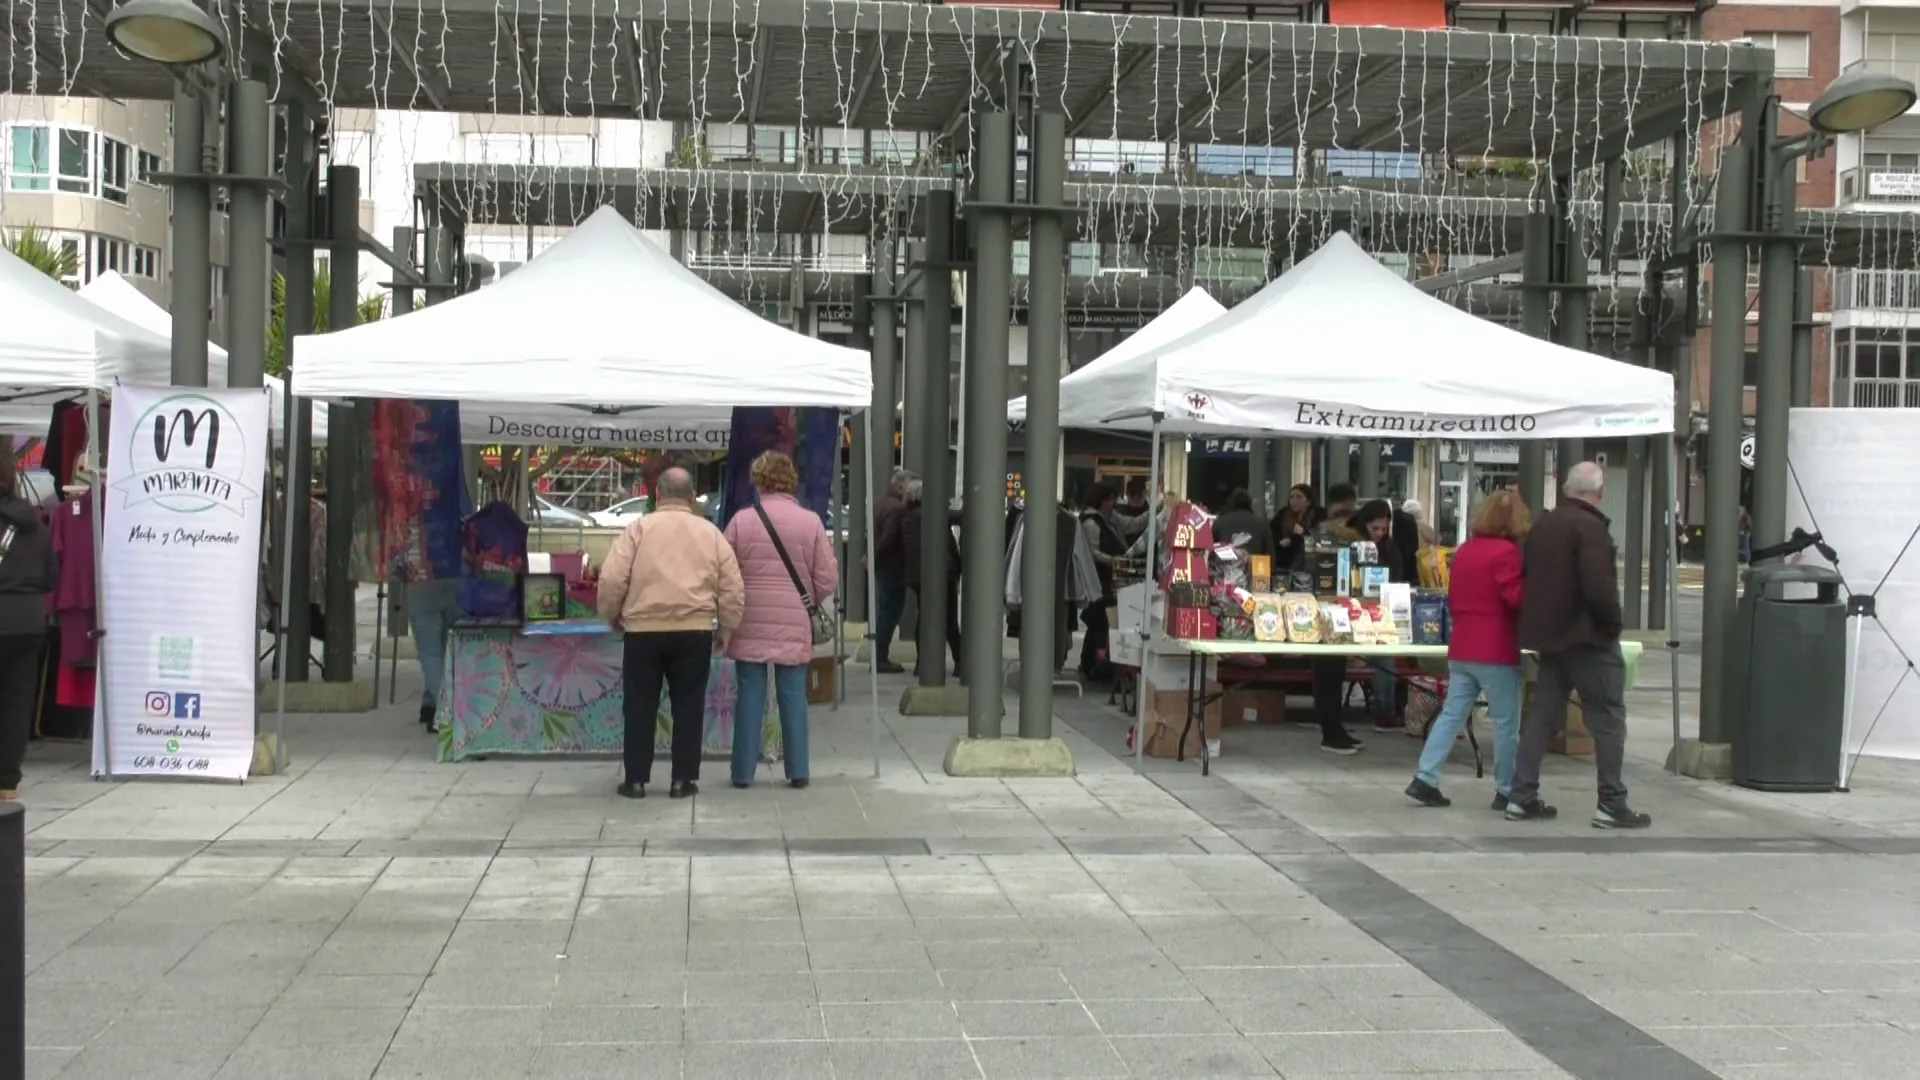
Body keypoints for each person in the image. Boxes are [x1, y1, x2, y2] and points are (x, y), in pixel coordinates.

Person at [1507, 462, 1648, 829]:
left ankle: (1521, 795)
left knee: (1542, 717)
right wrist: (1612, 625)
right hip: (1589, 638)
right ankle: (1611, 802)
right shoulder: (1591, 528)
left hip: (1551, 639)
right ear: (1600, 492)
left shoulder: (1542, 525)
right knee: (1608, 719)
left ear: (1567, 489)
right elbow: (1599, 588)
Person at [597, 467, 745, 800]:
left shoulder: (638, 529)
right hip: (694, 629)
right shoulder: (710, 534)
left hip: (643, 630)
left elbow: (612, 578)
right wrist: (727, 625)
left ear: (657, 495)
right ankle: (682, 779)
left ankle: (636, 780)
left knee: (639, 705)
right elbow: (732, 586)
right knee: (689, 705)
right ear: (692, 498)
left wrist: (611, 613)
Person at [1405, 490, 1528, 809]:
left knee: (1451, 715)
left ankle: (1425, 777)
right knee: (1505, 723)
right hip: (1496, 647)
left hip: (1463, 645)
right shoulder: (1507, 552)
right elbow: (1514, 597)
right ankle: (1506, 789)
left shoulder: (1465, 550)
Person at [723, 451, 838, 790]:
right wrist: (807, 599)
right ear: (791, 480)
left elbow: (724, 572)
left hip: (750, 618)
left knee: (749, 695)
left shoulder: (741, 521)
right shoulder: (811, 522)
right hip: (794, 618)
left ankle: (742, 773)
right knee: (793, 694)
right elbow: (828, 578)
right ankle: (798, 771)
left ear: (758, 480)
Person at [0, 466, 55, 801]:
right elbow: (51, 577)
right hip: (27, 621)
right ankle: (7, 783)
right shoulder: (36, 527)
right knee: (17, 704)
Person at [899, 477, 963, 678]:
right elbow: (960, 516)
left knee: (924, 618)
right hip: (942, 574)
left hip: (919, 576)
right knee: (949, 620)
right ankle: (960, 661)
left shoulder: (907, 517)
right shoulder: (933, 514)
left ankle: (922, 662)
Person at [1077, 481, 1132, 680]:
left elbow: (1131, 524)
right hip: (1098, 582)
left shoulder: (1107, 519)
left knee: (1098, 624)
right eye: (1110, 500)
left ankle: (1091, 664)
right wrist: (1115, 560)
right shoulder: (1092, 523)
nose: (1113, 504)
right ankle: (1095, 665)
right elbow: (1092, 553)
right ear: (1101, 500)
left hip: (1104, 581)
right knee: (1100, 623)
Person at [870, 468, 914, 674]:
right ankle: (880, 657)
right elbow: (888, 538)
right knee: (890, 613)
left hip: (884, 566)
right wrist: (874, 556)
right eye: (910, 485)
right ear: (900, 487)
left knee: (884, 611)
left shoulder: (881, 504)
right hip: (893, 566)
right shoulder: (897, 509)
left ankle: (878, 655)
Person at [1271, 483, 1322, 574]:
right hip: (1283, 564)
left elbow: (1319, 540)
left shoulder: (1317, 517)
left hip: (1309, 563)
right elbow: (1272, 538)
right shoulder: (1282, 517)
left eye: (1299, 497)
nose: (1294, 501)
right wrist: (1280, 543)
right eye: (1291, 497)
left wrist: (1301, 535)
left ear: (1308, 501)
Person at [1210, 488, 1273, 559]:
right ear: (1249, 503)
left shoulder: (1220, 522)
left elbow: (1211, 548)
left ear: (1231, 503)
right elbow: (1269, 551)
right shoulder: (1261, 523)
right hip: (1255, 564)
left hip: (1226, 563)